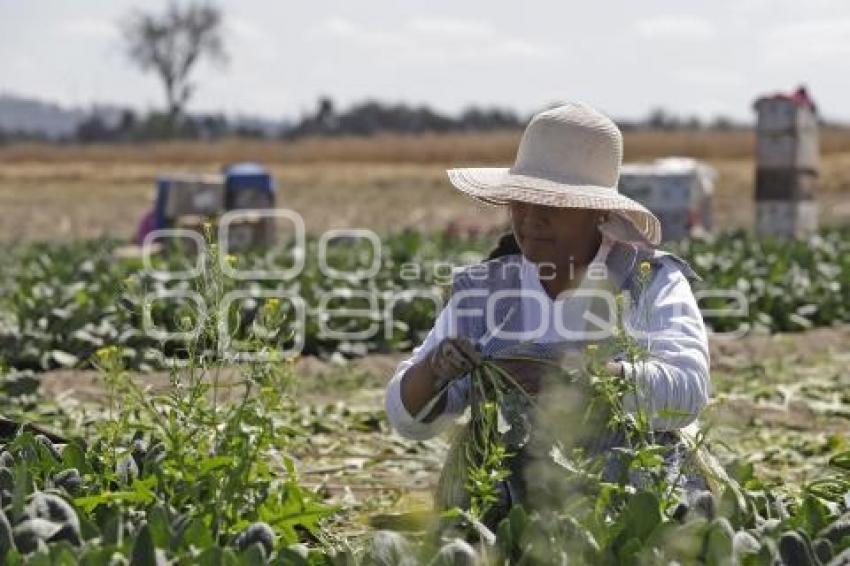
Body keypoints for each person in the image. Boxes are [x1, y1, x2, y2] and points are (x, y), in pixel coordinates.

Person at [384, 102, 711, 518]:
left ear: (598, 212)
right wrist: (435, 370)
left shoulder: (648, 279)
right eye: (520, 202)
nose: (530, 220)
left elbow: (686, 390)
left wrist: (575, 379)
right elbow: (409, 420)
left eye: (551, 205)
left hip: (625, 488)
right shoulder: (482, 291)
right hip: (504, 495)